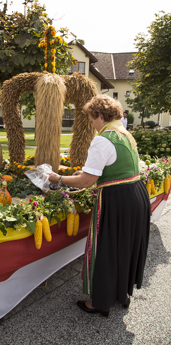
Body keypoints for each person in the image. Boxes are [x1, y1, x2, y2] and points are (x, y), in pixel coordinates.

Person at [48, 94, 150, 317]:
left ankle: (99, 301)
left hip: (117, 200)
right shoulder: (124, 133)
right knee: (125, 246)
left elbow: (87, 181)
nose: (92, 124)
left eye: (92, 119)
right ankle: (122, 293)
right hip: (136, 194)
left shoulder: (103, 139)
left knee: (106, 248)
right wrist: (85, 174)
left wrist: (59, 179)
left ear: (101, 116)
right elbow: (109, 169)